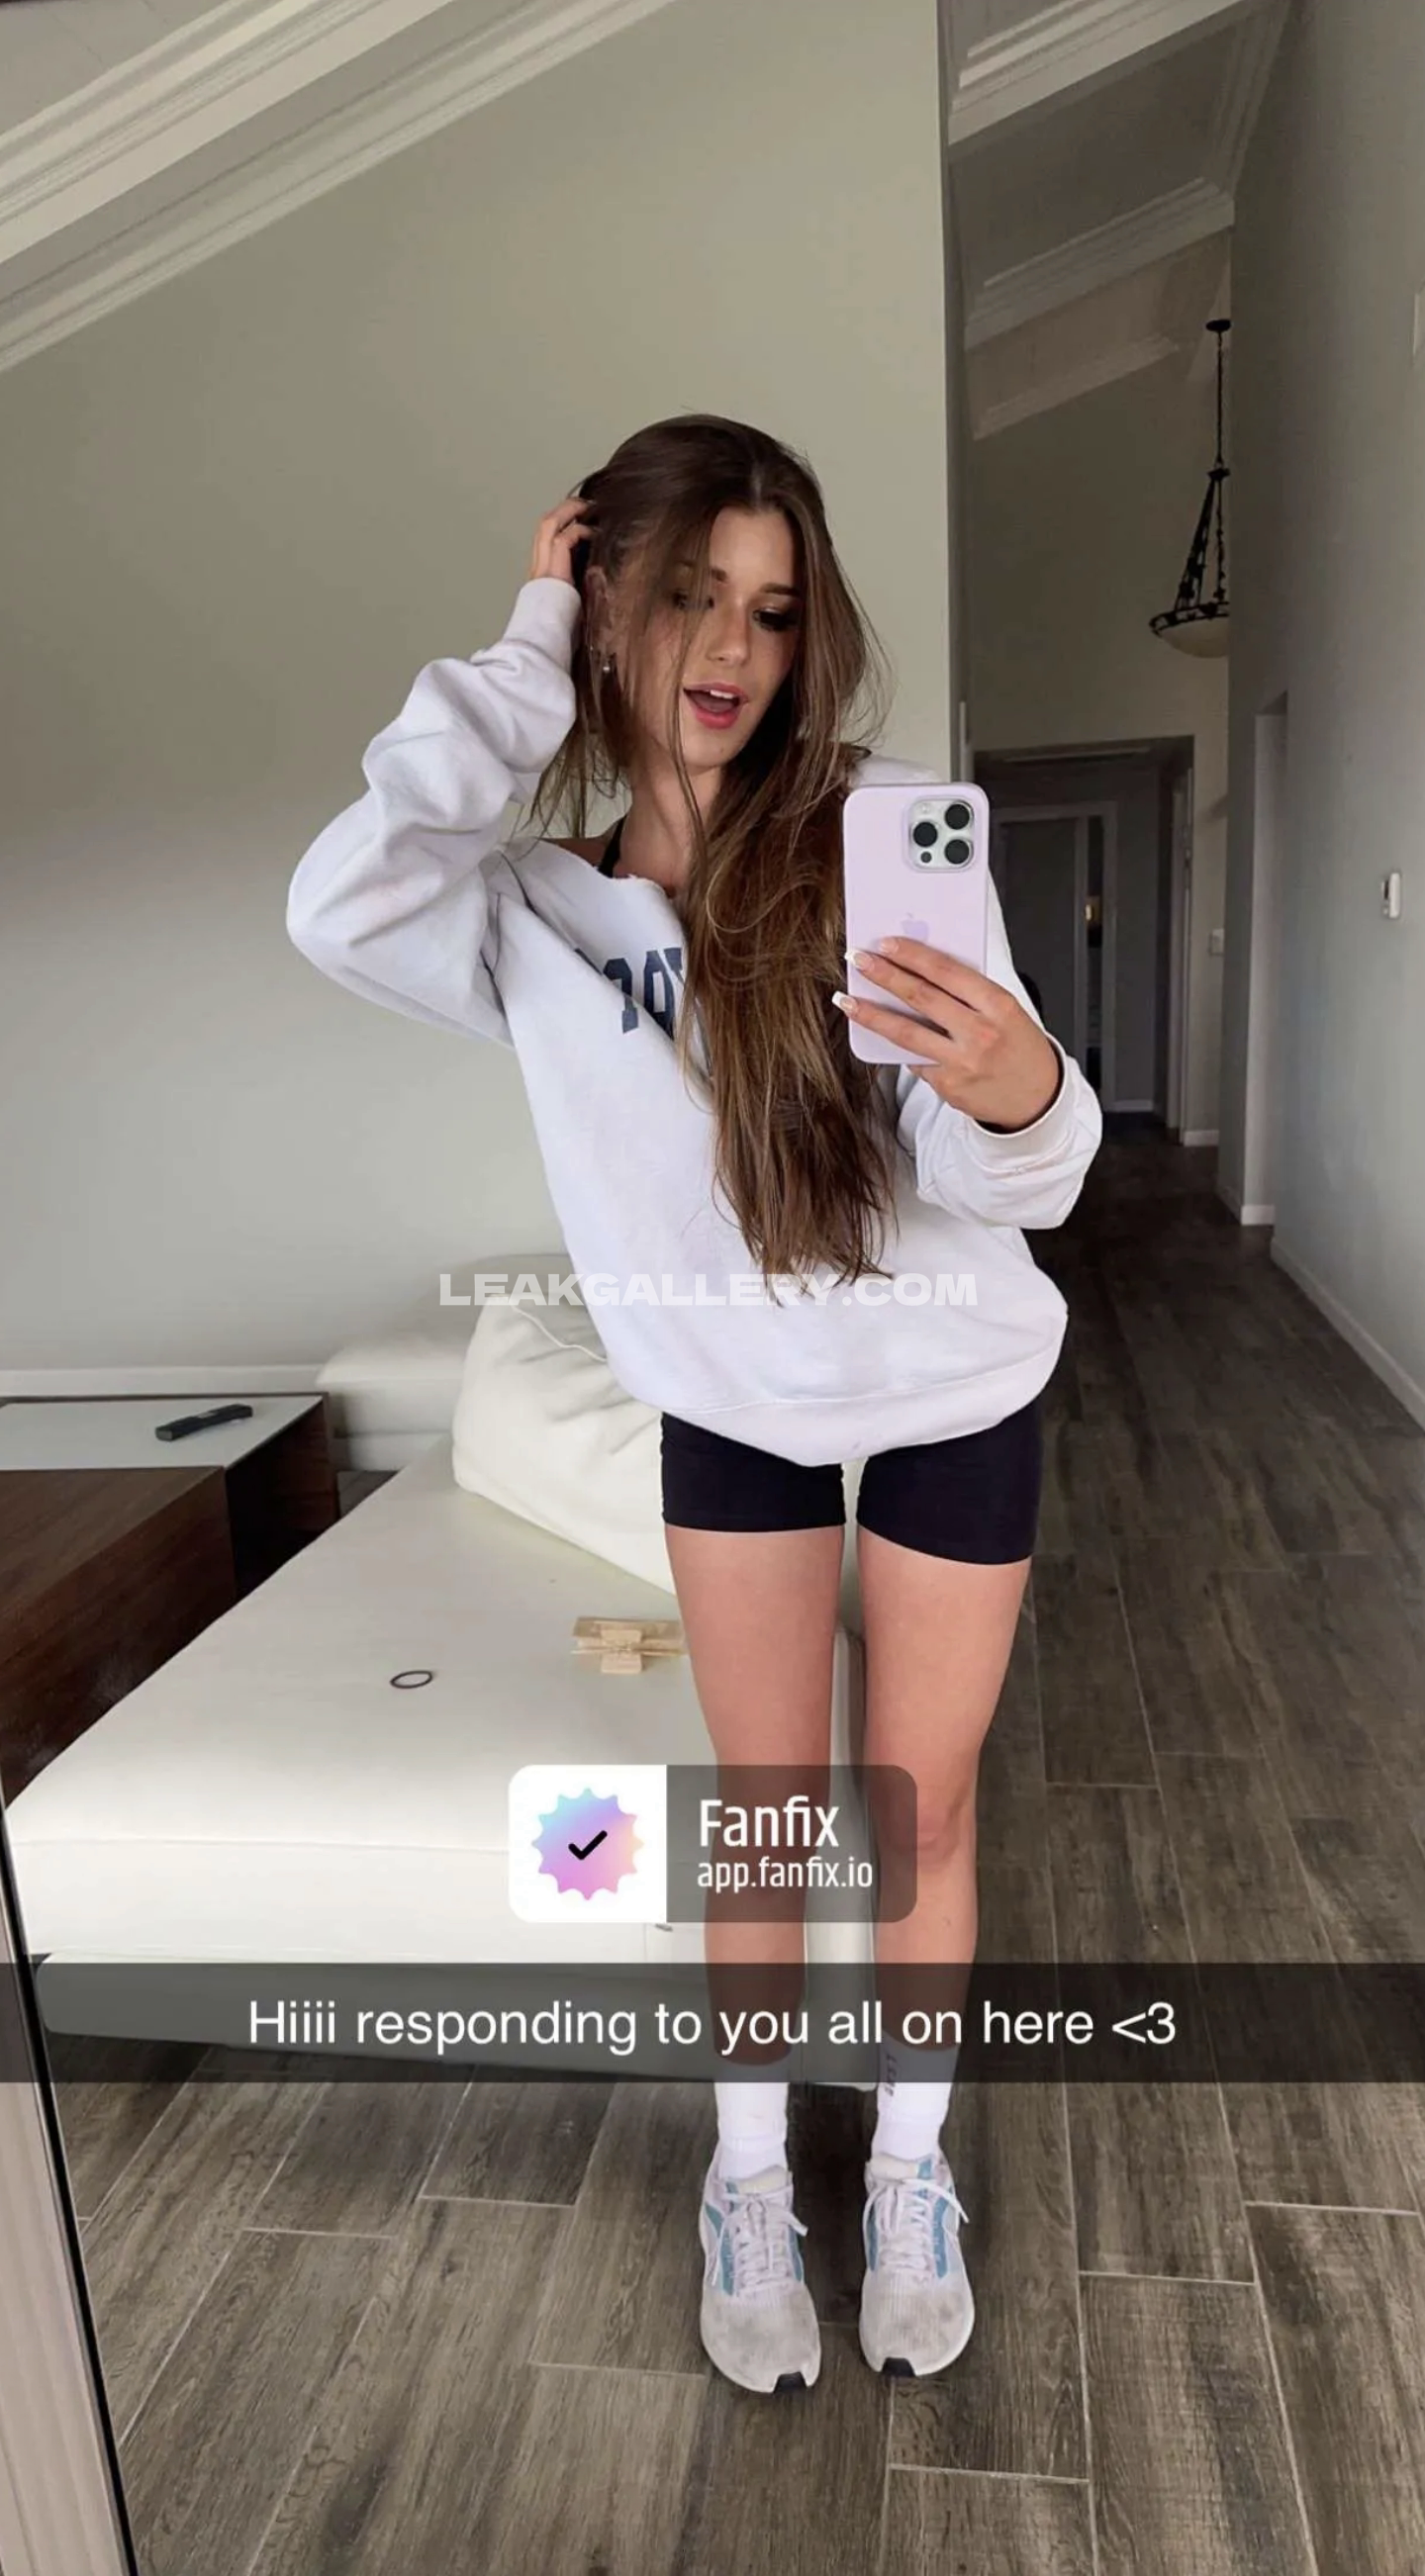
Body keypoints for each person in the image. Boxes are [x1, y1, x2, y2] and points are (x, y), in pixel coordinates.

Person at [287, 414, 1101, 2399]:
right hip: (733, 1406)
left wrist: (1024, 1090)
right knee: (766, 1810)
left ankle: (904, 2168)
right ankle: (747, 2178)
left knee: (920, 1807)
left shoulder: (889, 833)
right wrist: (520, 657)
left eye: (772, 608)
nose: (732, 648)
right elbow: (339, 902)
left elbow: (1011, 1175)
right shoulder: (534, 915)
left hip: (951, 1387)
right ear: (605, 613)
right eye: (685, 598)